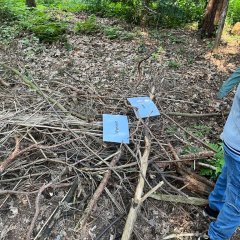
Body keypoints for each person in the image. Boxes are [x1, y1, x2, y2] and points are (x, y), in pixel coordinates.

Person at [199, 67, 240, 240]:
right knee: (237, 202)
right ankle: (217, 236)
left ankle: (213, 207)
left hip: (232, 138)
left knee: (227, 174)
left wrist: (222, 92)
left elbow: (231, 80)